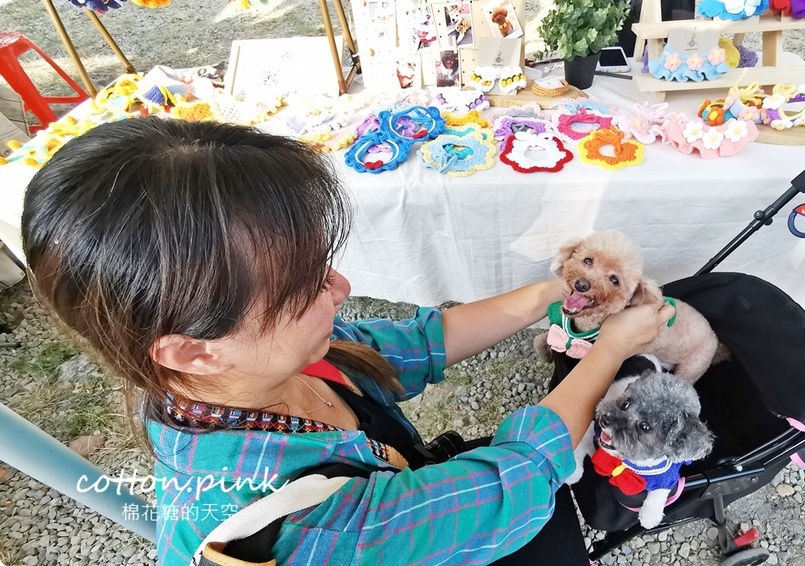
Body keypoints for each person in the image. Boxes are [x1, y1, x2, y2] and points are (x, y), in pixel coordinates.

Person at [21, 118, 673, 566]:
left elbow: (421, 341)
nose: (341, 285)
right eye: (305, 286)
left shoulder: (237, 373)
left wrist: (549, 294)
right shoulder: (306, 526)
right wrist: (612, 348)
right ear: (192, 348)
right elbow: (517, 479)